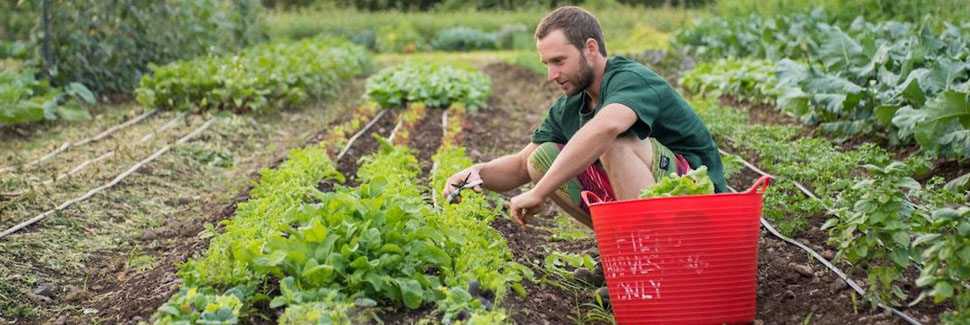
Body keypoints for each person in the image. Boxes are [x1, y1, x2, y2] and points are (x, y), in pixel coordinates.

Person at [442, 6, 726, 231]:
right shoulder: (571, 103)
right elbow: (519, 165)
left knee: (612, 142)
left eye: (559, 61)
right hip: (652, 204)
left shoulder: (630, 79)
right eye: (546, 64)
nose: (551, 75)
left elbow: (607, 127)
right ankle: (625, 250)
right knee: (541, 158)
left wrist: (539, 193)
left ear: (590, 48)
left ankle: (650, 257)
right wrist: (477, 172)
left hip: (699, 199)